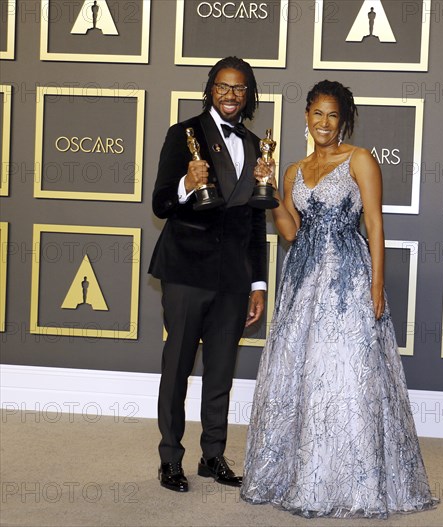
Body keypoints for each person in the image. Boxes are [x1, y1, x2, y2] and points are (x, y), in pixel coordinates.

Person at [241, 80, 438, 517]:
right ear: (306, 116)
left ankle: (352, 479)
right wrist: (270, 189)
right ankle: (304, 473)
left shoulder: (360, 160)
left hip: (347, 279)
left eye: (333, 115)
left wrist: (376, 285)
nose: (324, 123)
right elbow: (290, 231)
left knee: (346, 370)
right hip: (303, 280)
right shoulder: (293, 169)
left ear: (343, 119)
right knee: (301, 368)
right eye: (317, 114)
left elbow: (374, 224)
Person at [149, 57, 267, 492]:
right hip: (186, 269)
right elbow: (160, 203)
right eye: (223, 87)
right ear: (210, 90)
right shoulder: (182, 135)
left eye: (239, 88)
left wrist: (257, 285)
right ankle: (170, 459)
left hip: (234, 278)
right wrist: (185, 182)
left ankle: (212, 456)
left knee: (221, 371)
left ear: (249, 94)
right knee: (177, 366)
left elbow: (256, 223)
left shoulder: (256, 145)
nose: (231, 95)